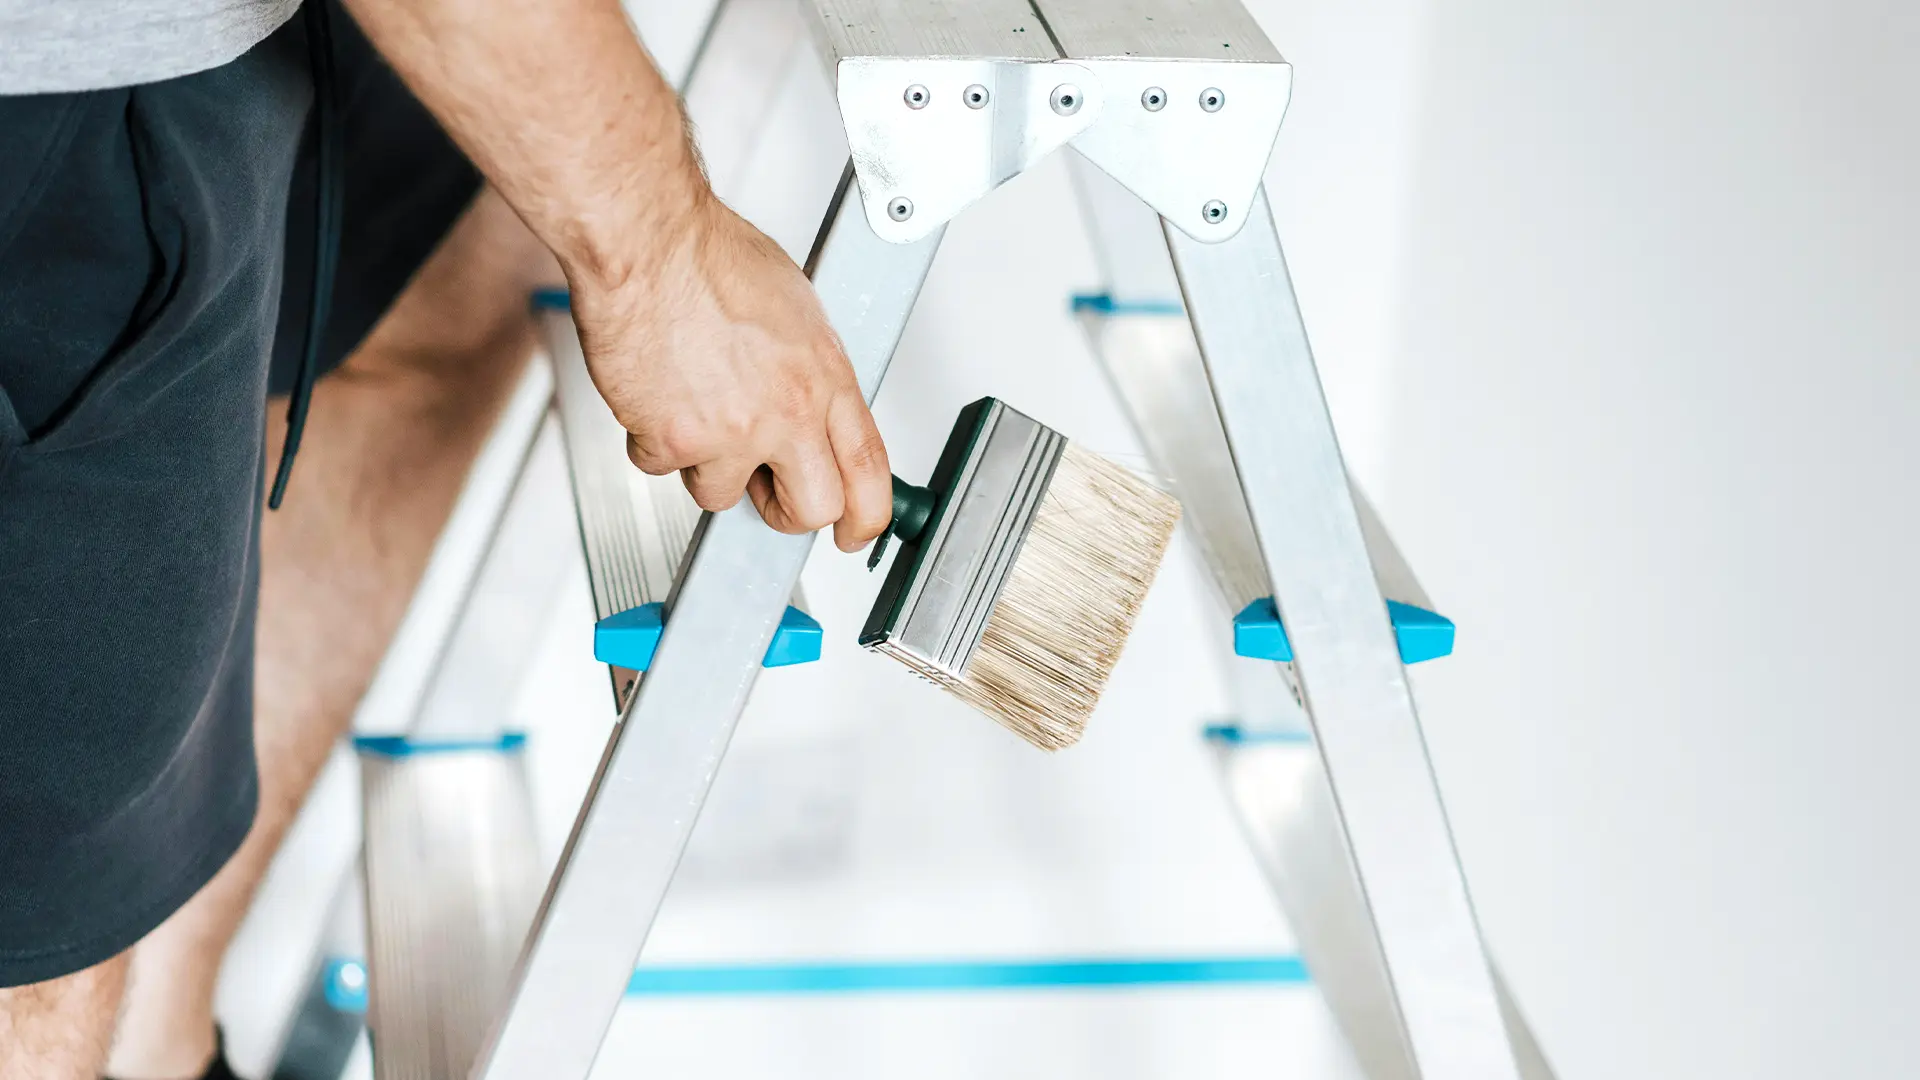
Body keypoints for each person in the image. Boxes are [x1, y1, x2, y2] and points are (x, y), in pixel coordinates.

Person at [0, 0, 893, 1075]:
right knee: (31, 943)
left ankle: (156, 1047)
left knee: (472, 232)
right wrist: (662, 257)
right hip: (48, 91)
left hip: (217, 31)